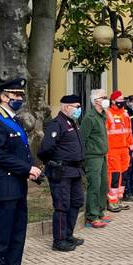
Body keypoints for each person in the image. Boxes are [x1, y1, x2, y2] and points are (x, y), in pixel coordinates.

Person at [0, 78, 39, 265]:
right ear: (3, 96)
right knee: (0, 236)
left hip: (16, 186)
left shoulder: (14, 119)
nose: (19, 99)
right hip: (1, 187)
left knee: (17, 233)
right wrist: (26, 168)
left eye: (21, 95)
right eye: (15, 95)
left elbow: (20, 151)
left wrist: (29, 168)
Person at [38, 94, 85, 252]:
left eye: (79, 106)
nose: (79, 109)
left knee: (76, 202)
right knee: (62, 205)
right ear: (66, 107)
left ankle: (68, 235)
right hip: (62, 171)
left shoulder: (73, 122)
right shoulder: (57, 124)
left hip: (75, 170)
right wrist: (53, 162)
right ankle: (59, 240)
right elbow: (45, 149)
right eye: (76, 106)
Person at [80, 89, 110, 227]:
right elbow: (82, 139)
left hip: (102, 155)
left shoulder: (102, 115)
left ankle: (99, 211)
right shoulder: (89, 118)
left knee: (103, 185)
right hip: (92, 157)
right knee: (94, 185)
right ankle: (92, 216)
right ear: (96, 101)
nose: (106, 99)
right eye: (104, 97)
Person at [105, 90, 133, 211]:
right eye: (119, 100)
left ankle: (119, 199)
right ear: (113, 101)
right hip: (112, 151)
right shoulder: (108, 114)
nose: (122, 102)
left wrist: (132, 148)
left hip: (124, 151)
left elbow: (129, 133)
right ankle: (112, 201)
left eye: (122, 100)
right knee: (114, 176)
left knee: (123, 176)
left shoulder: (125, 114)